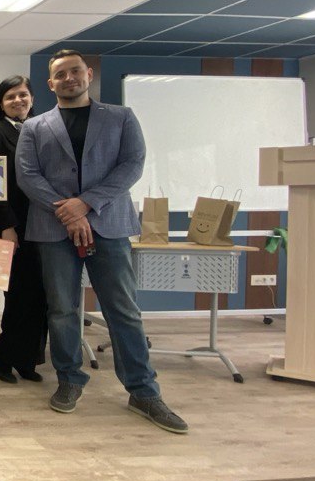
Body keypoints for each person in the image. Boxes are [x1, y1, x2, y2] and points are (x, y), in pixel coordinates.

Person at [16, 50, 188, 434]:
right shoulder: (35, 127)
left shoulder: (121, 117)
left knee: (123, 310)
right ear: (51, 83)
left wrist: (86, 204)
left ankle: (143, 391)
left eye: (75, 71)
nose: (69, 78)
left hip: (109, 225)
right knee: (62, 309)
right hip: (54, 230)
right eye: (61, 74)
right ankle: (69, 379)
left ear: (88, 74)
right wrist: (69, 212)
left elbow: (132, 165)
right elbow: (28, 176)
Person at [0, 75, 48, 384]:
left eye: (23, 94)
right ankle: (3, 358)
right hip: (13, 227)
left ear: (32, 98)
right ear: (1, 103)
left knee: (42, 297)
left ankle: (28, 360)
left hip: (45, 225)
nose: (18, 100)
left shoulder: (44, 130)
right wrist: (6, 226)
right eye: (10, 96)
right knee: (18, 296)